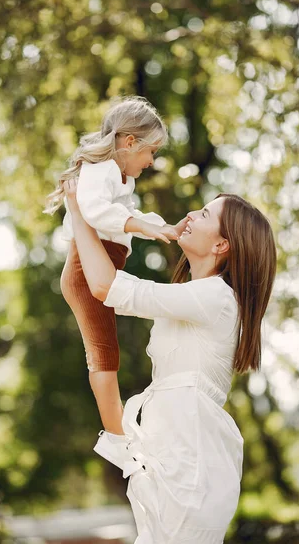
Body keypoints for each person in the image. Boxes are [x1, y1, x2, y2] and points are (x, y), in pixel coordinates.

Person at [63, 178, 277, 544]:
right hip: (168, 454)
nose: (192, 214)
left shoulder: (217, 299)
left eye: (205, 213)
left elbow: (106, 287)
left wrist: (80, 210)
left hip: (189, 460)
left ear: (222, 244)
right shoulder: (192, 298)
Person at [43, 96, 188, 435]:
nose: (151, 161)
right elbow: (93, 211)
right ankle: (117, 436)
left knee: (108, 350)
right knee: (105, 353)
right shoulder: (102, 169)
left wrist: (161, 227)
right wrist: (142, 226)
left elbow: (124, 216)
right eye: (150, 151)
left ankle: (120, 430)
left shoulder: (122, 177)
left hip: (102, 265)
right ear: (129, 142)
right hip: (85, 271)